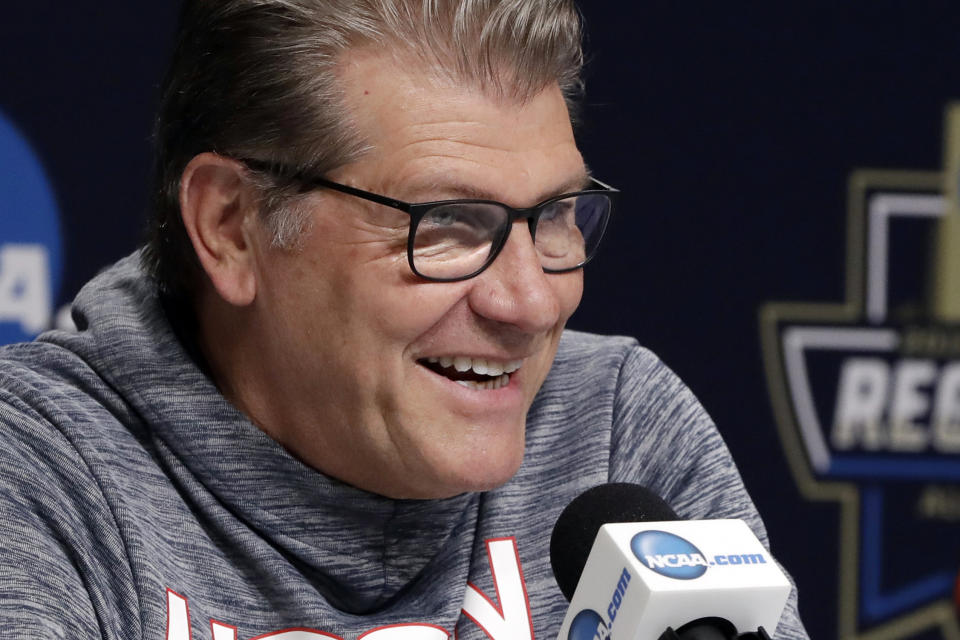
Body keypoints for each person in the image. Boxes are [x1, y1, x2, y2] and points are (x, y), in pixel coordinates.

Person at [0, 1, 809, 638]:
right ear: (232, 226)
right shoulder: (42, 470)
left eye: (557, 212)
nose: (531, 303)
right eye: (449, 224)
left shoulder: (613, 432)